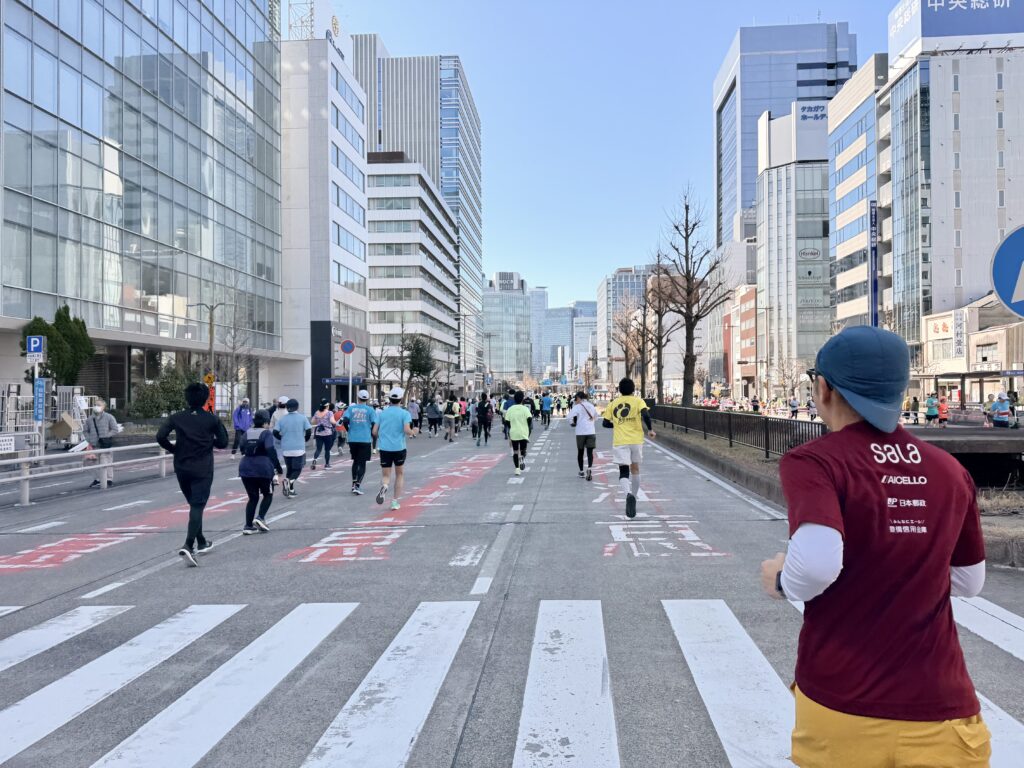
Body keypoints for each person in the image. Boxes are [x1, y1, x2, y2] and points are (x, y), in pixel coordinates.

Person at [759, 325, 988, 768]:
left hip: (845, 704)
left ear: (823, 388)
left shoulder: (816, 461)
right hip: (945, 708)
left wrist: (782, 579)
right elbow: (968, 580)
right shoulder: (948, 469)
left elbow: (818, 564)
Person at [156, 383, 229, 567]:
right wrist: (208, 441)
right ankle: (188, 545)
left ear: (186, 398)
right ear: (205, 399)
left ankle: (202, 541)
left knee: (193, 505)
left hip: (181, 466)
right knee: (197, 505)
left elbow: (160, 436)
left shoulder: (177, 417)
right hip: (203, 467)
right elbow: (223, 443)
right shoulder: (211, 419)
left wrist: (174, 449)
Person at [602, 377, 655, 519]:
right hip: (636, 440)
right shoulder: (638, 401)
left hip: (621, 441)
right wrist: (650, 430)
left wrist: (618, 425)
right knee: (635, 468)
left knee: (623, 471)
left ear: (619, 390)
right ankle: (635, 496)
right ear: (633, 389)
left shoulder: (613, 403)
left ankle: (628, 495)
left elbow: (605, 423)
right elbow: (646, 415)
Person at [372, 387, 417, 510]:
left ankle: (385, 486)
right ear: (401, 399)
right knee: (399, 474)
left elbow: (374, 431)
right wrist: (414, 432)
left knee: (386, 475)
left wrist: (383, 435)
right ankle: (394, 502)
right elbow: (407, 430)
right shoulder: (404, 413)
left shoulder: (382, 413)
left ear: (390, 399)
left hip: (385, 448)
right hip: (399, 448)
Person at [238, 412, 283, 534]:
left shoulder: (247, 432)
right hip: (263, 468)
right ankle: (260, 517)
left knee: (252, 497)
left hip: (245, 468)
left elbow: (242, 448)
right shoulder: (266, 433)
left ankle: (248, 526)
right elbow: (270, 449)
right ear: (265, 423)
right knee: (268, 494)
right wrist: (278, 468)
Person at [273, 399, 311, 498]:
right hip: (299, 448)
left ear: (286, 407)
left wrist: (282, 439)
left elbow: (275, 432)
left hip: (286, 448)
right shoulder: (303, 418)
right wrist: (305, 439)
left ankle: (291, 490)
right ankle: (289, 482)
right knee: (298, 469)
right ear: (297, 407)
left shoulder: (282, 419)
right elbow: (309, 431)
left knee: (290, 469)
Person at [343, 390, 377, 494]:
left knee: (355, 461)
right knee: (362, 463)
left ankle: (353, 484)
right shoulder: (370, 410)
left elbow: (345, 420)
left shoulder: (351, 408)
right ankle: (357, 486)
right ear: (367, 399)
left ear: (358, 398)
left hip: (353, 439)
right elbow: (375, 423)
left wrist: (349, 430)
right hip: (365, 439)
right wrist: (372, 433)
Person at [83, 399, 120, 489]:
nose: (96, 406)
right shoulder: (90, 419)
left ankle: (108, 479)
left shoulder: (109, 417)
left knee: (106, 461)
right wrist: (89, 439)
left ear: (103, 407)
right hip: (95, 445)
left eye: (99, 405)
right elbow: (85, 431)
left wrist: (107, 436)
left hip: (105, 444)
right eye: (95, 404)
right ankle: (98, 479)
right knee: (93, 463)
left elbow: (115, 429)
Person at [569, 391, 598, 481]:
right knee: (590, 452)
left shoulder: (577, 407)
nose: (575, 400)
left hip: (580, 432)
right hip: (591, 431)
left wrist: (572, 423)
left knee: (580, 452)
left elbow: (569, 417)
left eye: (576, 399)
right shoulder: (591, 405)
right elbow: (596, 417)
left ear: (579, 398)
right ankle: (589, 468)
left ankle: (581, 471)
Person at [503, 390, 533, 476]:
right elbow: (529, 419)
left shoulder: (510, 409)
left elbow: (507, 421)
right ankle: (522, 458)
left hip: (514, 433)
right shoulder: (525, 409)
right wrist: (526, 427)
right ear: (522, 399)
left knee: (515, 451)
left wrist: (511, 426)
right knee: (523, 449)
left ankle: (517, 469)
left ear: (514, 399)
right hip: (524, 433)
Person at [310, 400, 337, 470]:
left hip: (319, 433)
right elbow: (332, 421)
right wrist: (336, 422)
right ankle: (327, 464)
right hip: (327, 433)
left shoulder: (317, 412)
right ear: (327, 406)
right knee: (327, 450)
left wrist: (319, 421)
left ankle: (314, 459)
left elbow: (312, 422)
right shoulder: (329, 413)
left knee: (318, 449)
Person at [270, 395, 289, 462]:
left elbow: (271, 425)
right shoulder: (288, 413)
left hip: (276, 434)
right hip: (286, 435)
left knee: (278, 450)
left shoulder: (275, 413)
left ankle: (278, 464)